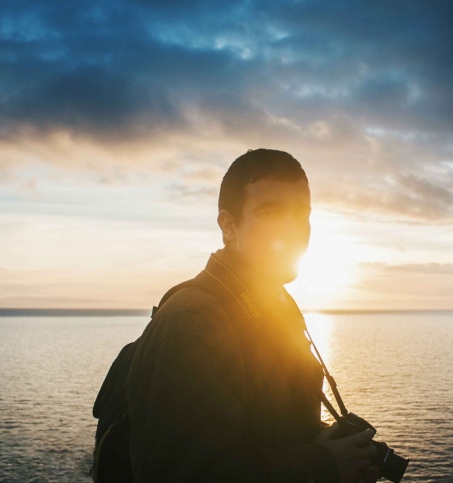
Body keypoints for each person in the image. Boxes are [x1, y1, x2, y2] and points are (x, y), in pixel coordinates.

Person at [125, 149, 379, 483]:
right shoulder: (193, 322)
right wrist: (322, 465)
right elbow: (184, 473)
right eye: (272, 212)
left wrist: (337, 448)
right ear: (229, 226)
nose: (294, 229)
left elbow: (262, 426)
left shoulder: (273, 309)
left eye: (302, 213)